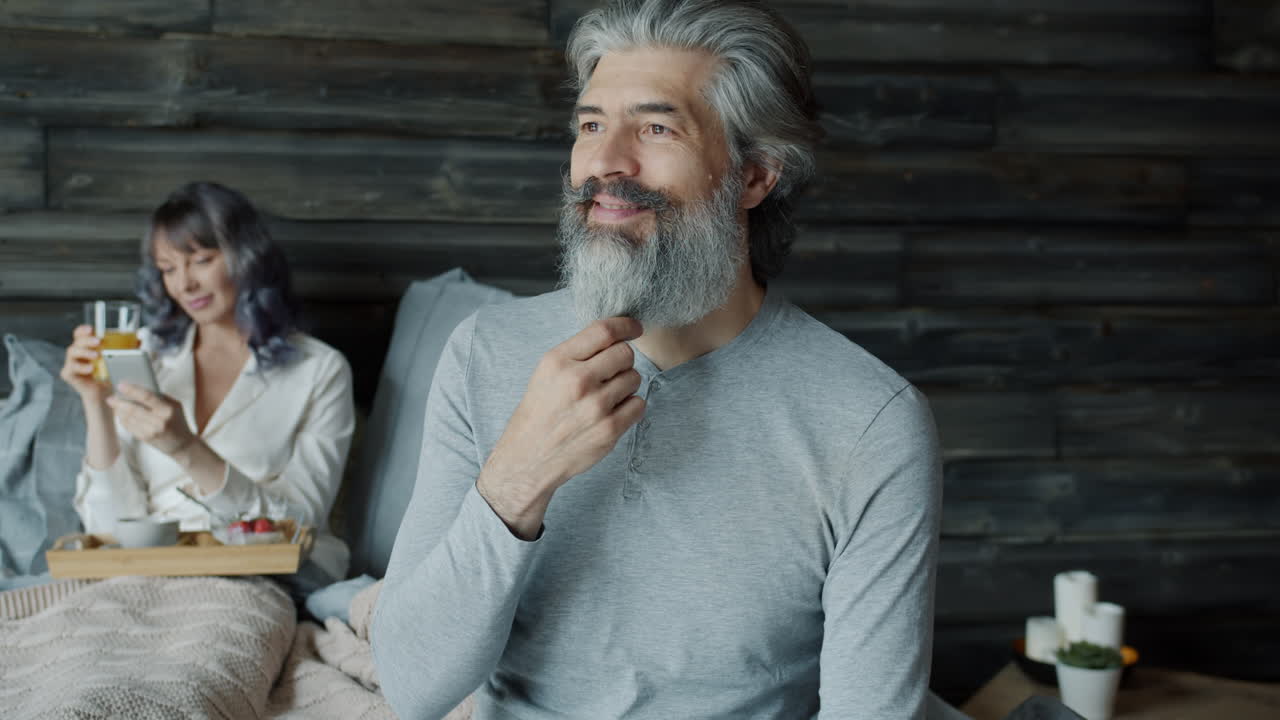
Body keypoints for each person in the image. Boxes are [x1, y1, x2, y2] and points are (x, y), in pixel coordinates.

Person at [372, 0, 942, 717]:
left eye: (655, 127)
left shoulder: (870, 423)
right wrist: (518, 478)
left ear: (755, 175)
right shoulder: (484, 353)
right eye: (590, 125)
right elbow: (410, 686)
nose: (605, 163)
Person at [61, 181, 355, 591]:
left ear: (247, 258)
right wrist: (95, 403)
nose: (184, 285)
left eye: (200, 260)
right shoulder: (145, 355)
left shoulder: (319, 370)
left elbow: (298, 524)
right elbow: (106, 526)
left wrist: (187, 449)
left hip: (256, 578)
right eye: (168, 268)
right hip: (143, 576)